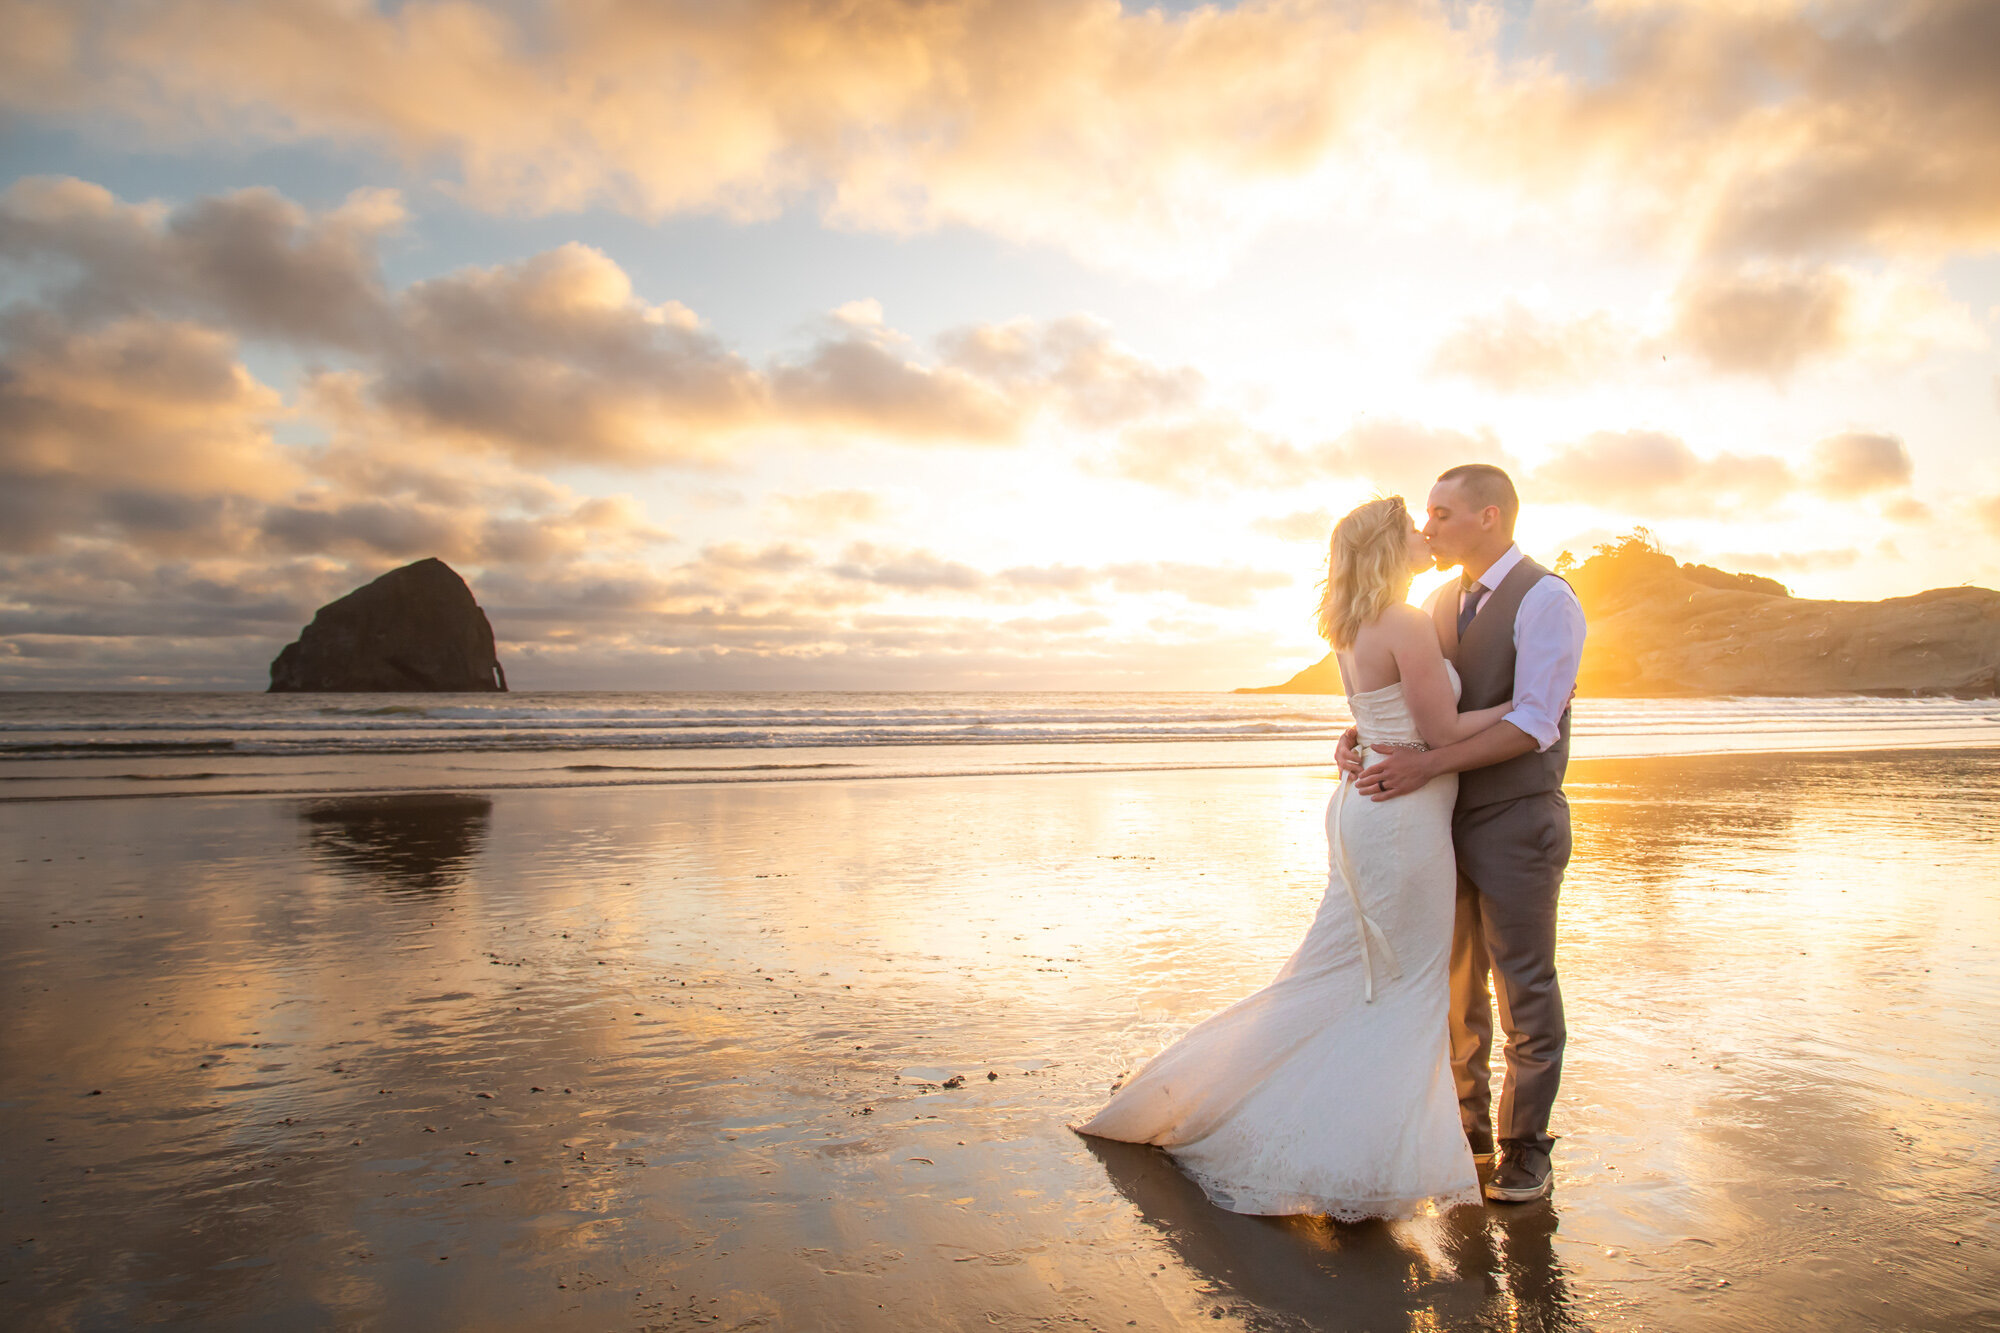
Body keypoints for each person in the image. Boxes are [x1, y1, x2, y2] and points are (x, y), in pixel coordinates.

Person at [1073, 495, 1524, 1219]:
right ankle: (1358, 1158)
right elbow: (1439, 732)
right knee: (1401, 984)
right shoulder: (1406, 621)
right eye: (1412, 526)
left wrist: (1357, 740)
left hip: (1364, 807)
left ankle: (1329, 1134)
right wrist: (1527, 707)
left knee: (1355, 973)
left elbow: (1378, 716)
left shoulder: (1353, 622)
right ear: (1388, 546)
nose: (1425, 533)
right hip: (1400, 816)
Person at [1337, 464, 1586, 1204]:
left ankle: (1527, 1149)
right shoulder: (1436, 602)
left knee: (1525, 987)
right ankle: (1468, 1129)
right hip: (1435, 822)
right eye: (1427, 513)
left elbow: (1536, 722)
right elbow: (1411, 702)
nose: (1428, 527)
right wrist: (1361, 736)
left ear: (1490, 516)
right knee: (1455, 987)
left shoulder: (1547, 598)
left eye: (1442, 513)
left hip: (1516, 819)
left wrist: (1425, 763)